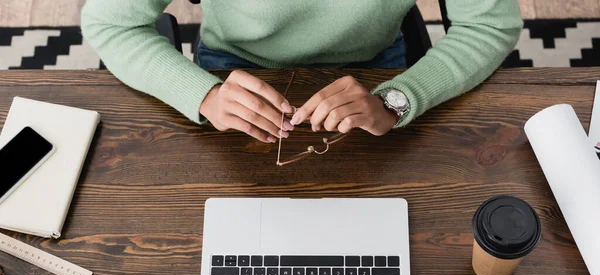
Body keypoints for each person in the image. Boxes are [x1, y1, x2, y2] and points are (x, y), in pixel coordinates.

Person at [81, 0, 522, 143]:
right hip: (232, 70)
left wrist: (399, 98)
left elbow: (489, 23)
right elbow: (108, 21)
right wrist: (203, 94)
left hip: (376, 69)